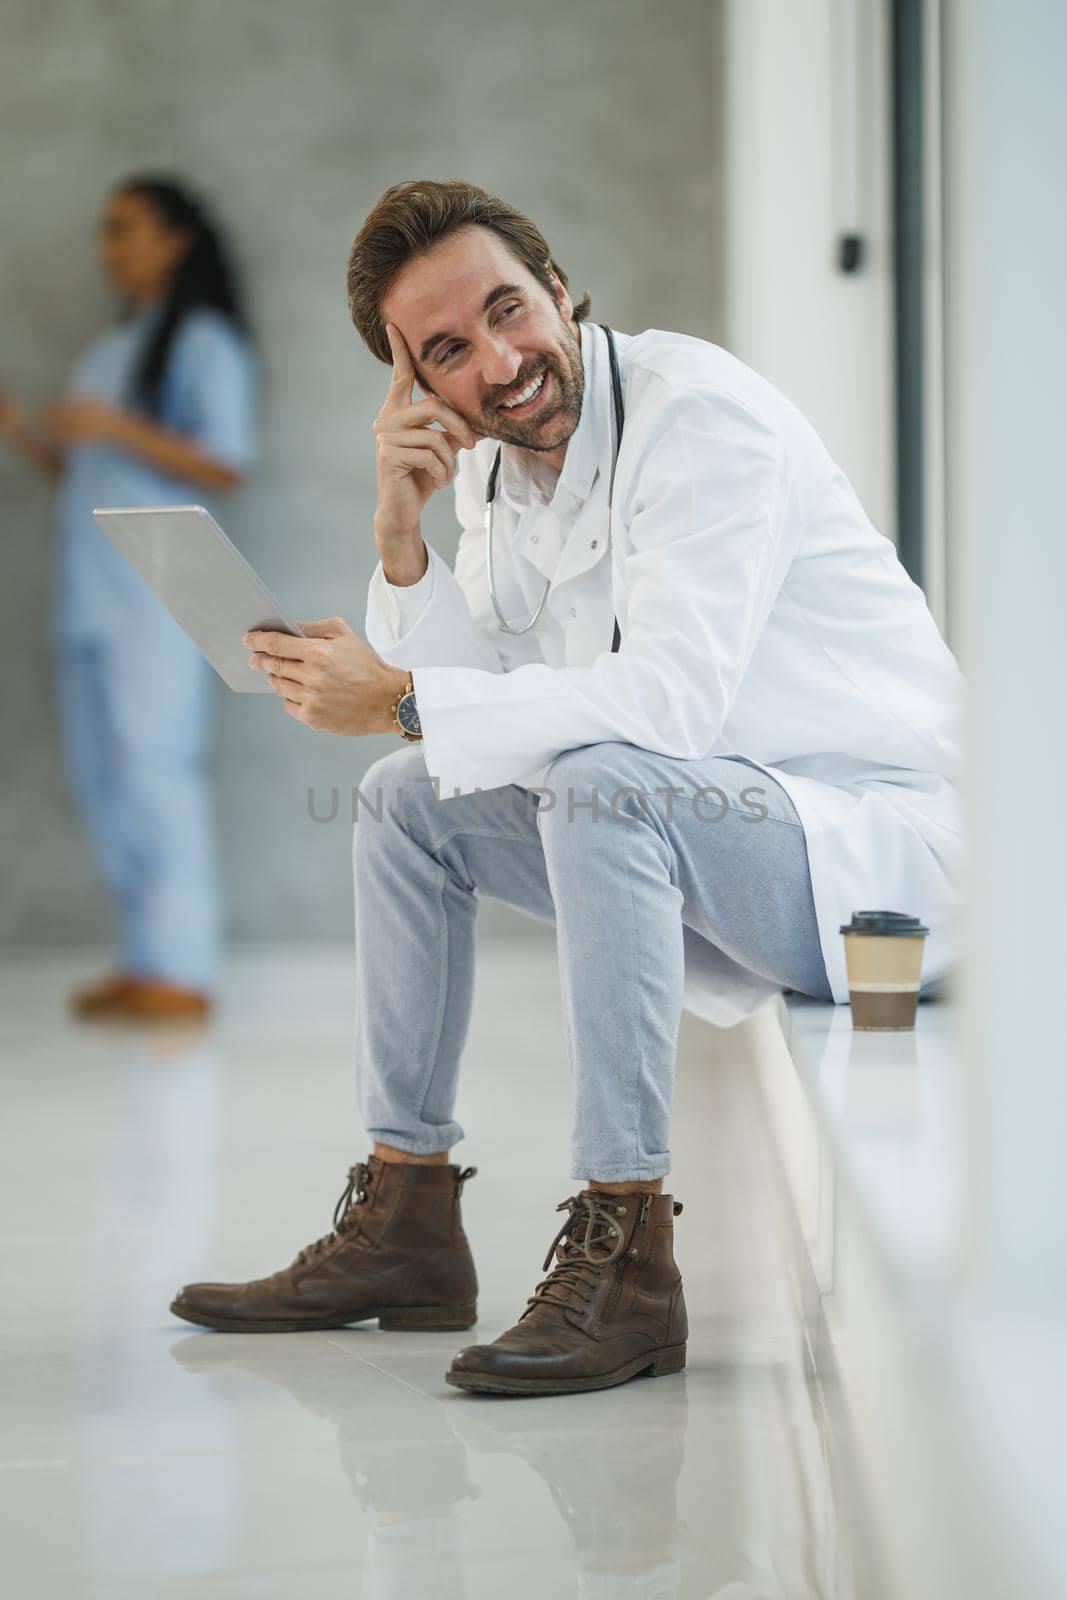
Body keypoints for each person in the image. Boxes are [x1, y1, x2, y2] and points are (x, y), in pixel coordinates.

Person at [170, 179, 965, 1398]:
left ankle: (628, 1244)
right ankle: (407, 1219)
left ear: (557, 286)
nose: (500, 361)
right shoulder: (495, 474)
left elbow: (665, 709)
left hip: (867, 857)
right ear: (418, 388)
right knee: (400, 802)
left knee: (599, 784)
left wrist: (397, 696)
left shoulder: (698, 418)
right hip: (721, 825)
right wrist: (399, 537)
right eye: (448, 350)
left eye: (507, 310)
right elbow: (478, 703)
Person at [0, 176, 256, 1020]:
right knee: (103, 776)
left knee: (155, 768)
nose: (107, 248)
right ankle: (146, 958)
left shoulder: (205, 341)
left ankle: (184, 969)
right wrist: (26, 436)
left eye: (123, 230)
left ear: (174, 239)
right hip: (93, 585)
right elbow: (86, 478)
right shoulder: (113, 346)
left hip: (166, 586)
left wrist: (113, 426)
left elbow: (227, 463)